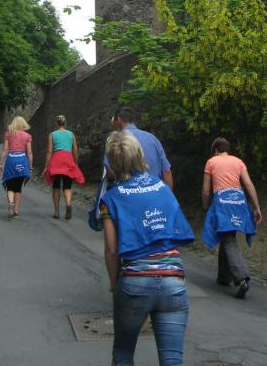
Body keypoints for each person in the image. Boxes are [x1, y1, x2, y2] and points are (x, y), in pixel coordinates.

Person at [101, 130, 194, 366]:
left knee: (123, 353)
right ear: (139, 155)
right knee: (172, 360)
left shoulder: (110, 199)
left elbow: (111, 250)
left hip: (135, 282)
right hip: (173, 282)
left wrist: (114, 284)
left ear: (112, 163)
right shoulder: (162, 188)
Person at [201, 136, 262, 299]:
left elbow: (206, 190)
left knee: (228, 238)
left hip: (223, 202)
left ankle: (241, 279)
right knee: (227, 234)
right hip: (239, 201)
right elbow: (248, 184)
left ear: (215, 149)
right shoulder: (238, 162)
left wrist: (206, 206)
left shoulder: (211, 162)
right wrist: (256, 207)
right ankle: (223, 277)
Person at [104, 106, 173, 189]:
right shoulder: (152, 138)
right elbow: (166, 172)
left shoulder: (115, 141)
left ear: (118, 119)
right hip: (155, 192)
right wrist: (167, 194)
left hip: (127, 193)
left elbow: (111, 172)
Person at [42, 114, 85, 220]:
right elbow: (75, 151)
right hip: (68, 159)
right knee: (67, 186)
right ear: (65, 123)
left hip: (56, 159)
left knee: (56, 186)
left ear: (56, 123)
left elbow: (49, 152)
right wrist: (75, 163)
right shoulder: (71, 134)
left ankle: (57, 212)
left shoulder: (52, 134)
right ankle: (68, 203)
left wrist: (46, 166)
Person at [0, 116, 33, 217]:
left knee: (10, 186)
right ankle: (16, 211)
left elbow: (5, 150)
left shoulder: (8, 134)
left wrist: (0, 163)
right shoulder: (27, 136)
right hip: (22, 161)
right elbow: (29, 152)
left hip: (11, 161)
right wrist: (30, 167)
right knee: (18, 187)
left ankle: (11, 202)